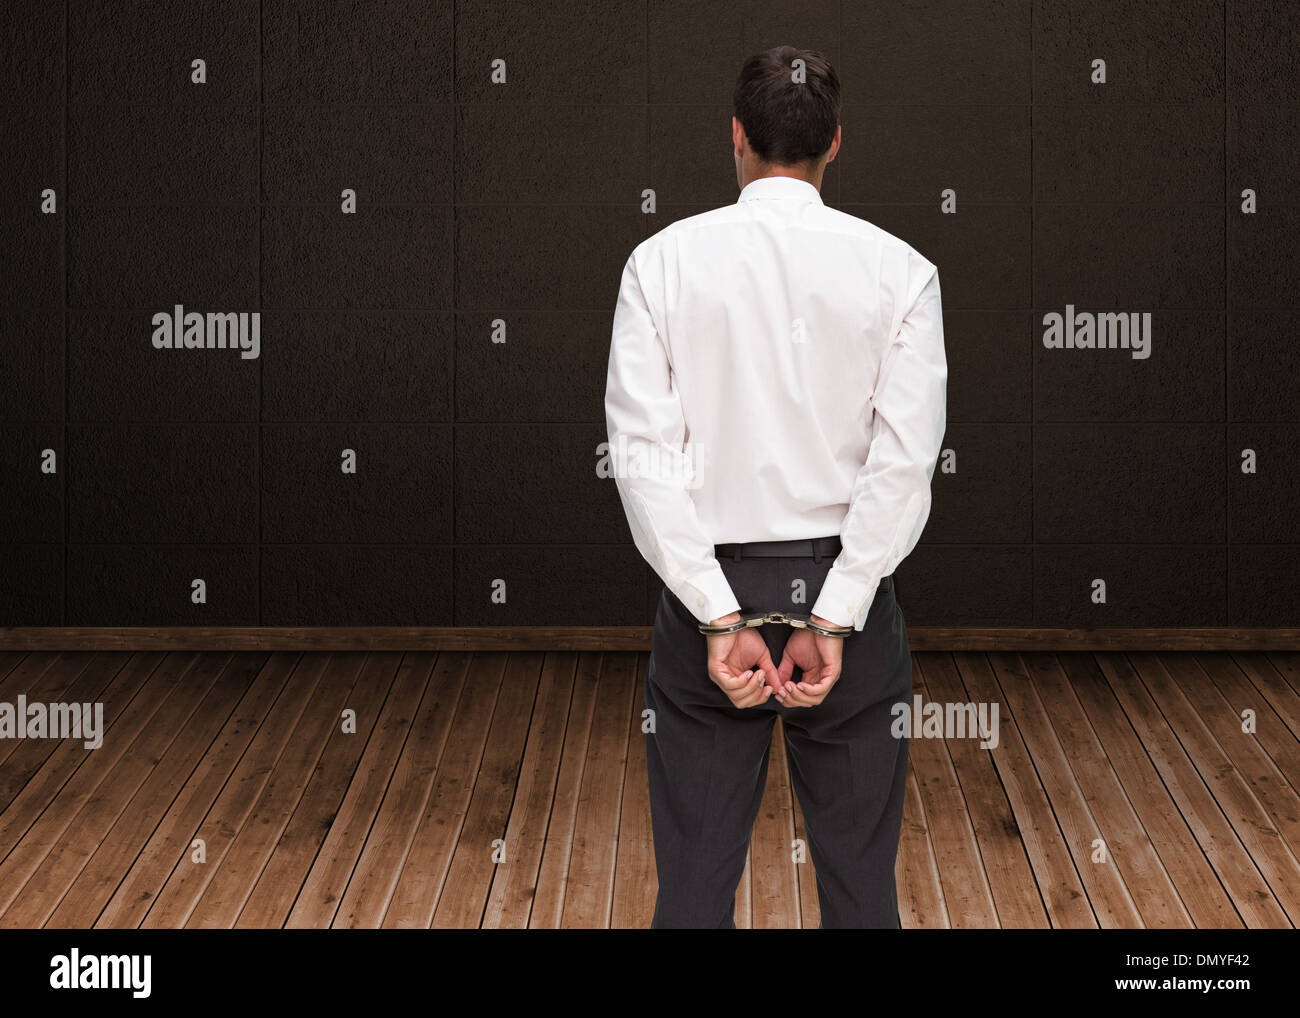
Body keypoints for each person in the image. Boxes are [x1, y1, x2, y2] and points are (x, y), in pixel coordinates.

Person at [603, 45, 947, 928]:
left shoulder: (659, 263)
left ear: (735, 139)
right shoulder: (902, 272)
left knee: (691, 891)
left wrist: (719, 617)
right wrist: (836, 614)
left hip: (708, 597)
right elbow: (903, 464)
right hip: (851, 607)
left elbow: (644, 459)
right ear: (836, 143)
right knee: (863, 889)